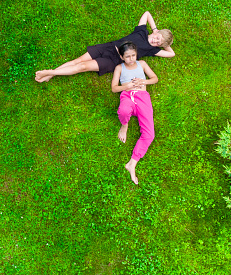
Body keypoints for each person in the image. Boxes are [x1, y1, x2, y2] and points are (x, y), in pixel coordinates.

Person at [35, 11, 173, 83]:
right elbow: (147, 13)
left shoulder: (152, 50)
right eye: (157, 38)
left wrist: (165, 43)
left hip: (113, 61)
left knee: (82, 67)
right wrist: (155, 29)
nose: (156, 41)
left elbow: (171, 54)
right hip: (108, 47)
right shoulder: (142, 31)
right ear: (157, 32)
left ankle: (50, 72)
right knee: (77, 61)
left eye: (159, 43)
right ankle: (50, 75)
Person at [111, 41, 157, 185]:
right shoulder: (119, 67)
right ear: (121, 56)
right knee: (124, 110)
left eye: (133, 56)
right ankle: (124, 126)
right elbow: (114, 88)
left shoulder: (142, 64)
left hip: (143, 98)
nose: (131, 59)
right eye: (128, 56)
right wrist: (127, 86)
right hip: (128, 95)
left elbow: (155, 79)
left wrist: (143, 81)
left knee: (149, 134)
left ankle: (132, 163)